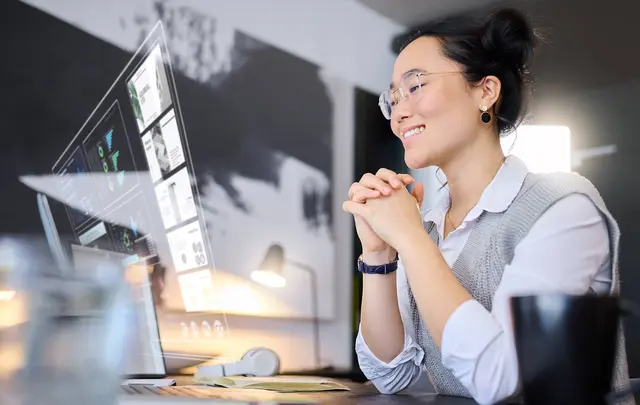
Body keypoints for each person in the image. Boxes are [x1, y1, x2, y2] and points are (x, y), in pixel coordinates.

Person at [341, 8, 632, 405]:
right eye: (392, 97)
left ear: (485, 91)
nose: (399, 113)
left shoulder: (564, 208)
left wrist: (409, 239)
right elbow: (391, 374)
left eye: (415, 86)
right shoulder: (425, 226)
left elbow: (501, 381)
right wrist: (379, 256)